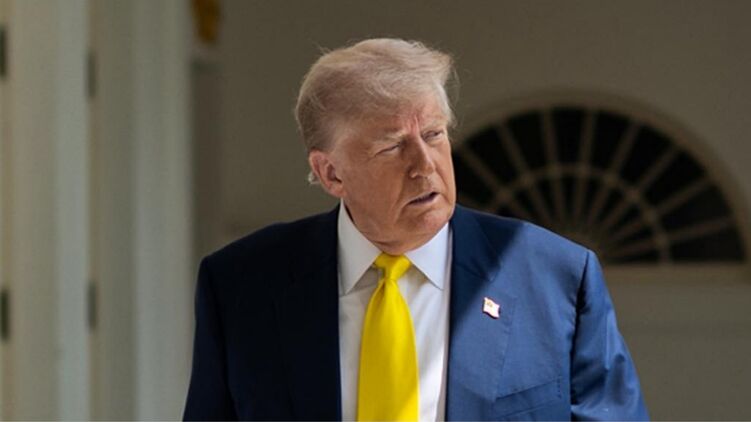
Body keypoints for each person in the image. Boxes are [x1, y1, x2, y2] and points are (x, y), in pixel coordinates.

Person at [183, 38, 648, 421]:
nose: (424, 166)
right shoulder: (241, 285)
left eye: (433, 135)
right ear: (331, 174)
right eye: (392, 147)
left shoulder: (557, 277)